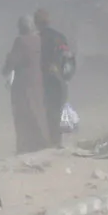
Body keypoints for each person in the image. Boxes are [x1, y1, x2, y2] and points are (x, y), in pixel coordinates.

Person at [3, 16, 50, 154]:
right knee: (38, 113)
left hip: (22, 86)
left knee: (22, 116)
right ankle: (41, 143)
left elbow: (12, 61)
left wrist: (7, 64)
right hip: (37, 84)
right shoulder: (38, 40)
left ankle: (24, 147)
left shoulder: (20, 41)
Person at [34, 8, 75, 149]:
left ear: (36, 23)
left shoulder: (36, 39)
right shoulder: (59, 37)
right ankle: (56, 140)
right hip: (59, 79)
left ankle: (50, 141)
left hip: (43, 80)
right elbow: (68, 59)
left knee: (46, 109)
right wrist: (66, 77)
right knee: (56, 109)